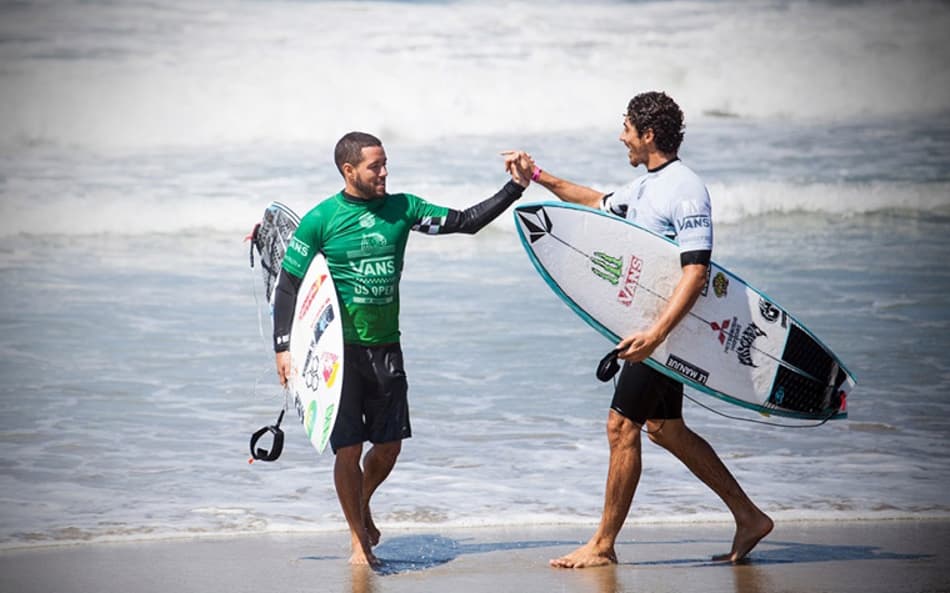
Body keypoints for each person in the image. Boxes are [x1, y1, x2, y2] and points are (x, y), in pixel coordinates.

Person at [504, 91, 773, 568]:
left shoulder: (685, 188)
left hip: (668, 331)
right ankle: (749, 516)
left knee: (621, 426)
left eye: (626, 128)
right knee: (665, 429)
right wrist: (539, 178)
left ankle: (603, 546)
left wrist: (655, 336)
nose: (621, 136)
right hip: (656, 332)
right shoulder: (649, 186)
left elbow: (696, 270)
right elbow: (594, 203)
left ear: (649, 134)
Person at [274, 131, 529, 566]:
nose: (385, 173)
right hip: (339, 353)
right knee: (348, 450)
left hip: (386, 347)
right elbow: (288, 284)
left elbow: (466, 221)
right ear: (348, 170)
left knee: (389, 447)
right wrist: (283, 348)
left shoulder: (402, 208)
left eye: (386, 163)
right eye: (376, 166)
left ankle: (361, 503)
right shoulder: (321, 219)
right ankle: (358, 543)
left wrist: (516, 187)